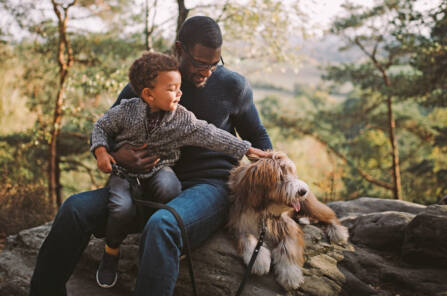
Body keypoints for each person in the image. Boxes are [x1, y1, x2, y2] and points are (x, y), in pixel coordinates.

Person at [29, 15, 272, 296]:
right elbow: (106, 128)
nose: (207, 71)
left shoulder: (233, 86)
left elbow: (259, 138)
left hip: (208, 189)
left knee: (163, 225)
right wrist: (118, 156)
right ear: (179, 49)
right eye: (200, 63)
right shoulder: (148, 83)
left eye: (214, 64)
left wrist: (277, 177)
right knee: (74, 208)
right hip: (144, 184)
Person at [91, 51, 267, 288]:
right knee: (120, 207)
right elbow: (102, 126)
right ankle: (111, 251)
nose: (180, 93)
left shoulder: (180, 117)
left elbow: (209, 133)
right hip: (124, 173)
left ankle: (171, 239)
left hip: (159, 169)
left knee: (169, 186)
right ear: (148, 95)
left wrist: (246, 149)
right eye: (173, 89)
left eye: (180, 87)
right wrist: (103, 152)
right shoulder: (127, 110)